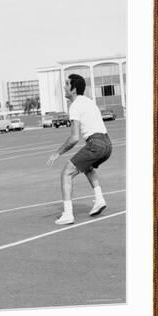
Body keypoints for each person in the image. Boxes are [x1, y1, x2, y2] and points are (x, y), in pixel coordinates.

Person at [46, 74, 113, 225]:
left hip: (95, 144)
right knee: (87, 167)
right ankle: (99, 199)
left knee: (66, 173)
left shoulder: (75, 106)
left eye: (66, 84)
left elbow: (74, 137)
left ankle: (68, 214)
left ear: (74, 89)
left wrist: (58, 153)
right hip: (107, 144)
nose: (64, 87)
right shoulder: (89, 102)